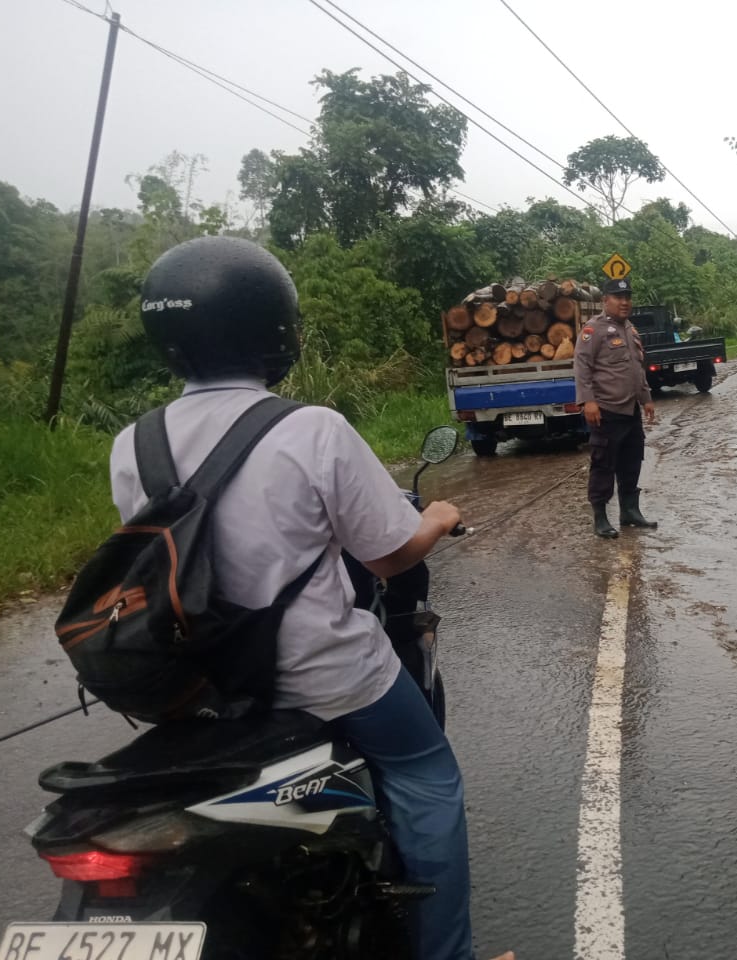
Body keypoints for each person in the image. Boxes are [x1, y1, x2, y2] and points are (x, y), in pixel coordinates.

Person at [114, 237, 511, 960]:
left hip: (200, 681)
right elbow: (388, 553)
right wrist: (439, 518)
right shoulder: (310, 428)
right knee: (427, 776)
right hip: (324, 675)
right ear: (273, 329)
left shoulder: (133, 445)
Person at [574, 277, 658, 538]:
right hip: (606, 410)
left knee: (632, 462)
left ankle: (629, 512)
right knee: (603, 465)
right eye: (618, 298)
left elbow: (637, 369)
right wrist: (587, 400)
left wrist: (646, 398)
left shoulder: (631, 330)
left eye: (627, 298)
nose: (624, 302)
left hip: (630, 410)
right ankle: (600, 518)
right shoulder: (593, 330)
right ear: (605, 301)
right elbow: (582, 366)